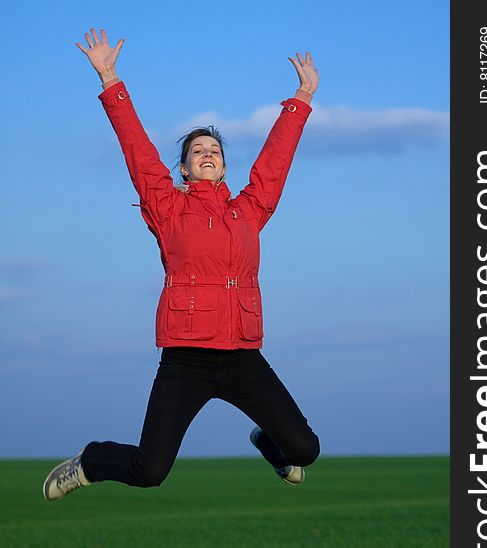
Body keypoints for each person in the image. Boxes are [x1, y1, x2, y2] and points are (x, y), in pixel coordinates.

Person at [43, 28, 320, 501]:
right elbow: (137, 151)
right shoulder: (167, 207)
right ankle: (90, 461)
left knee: (305, 448)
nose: (207, 155)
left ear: (224, 167)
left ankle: (267, 442)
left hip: (241, 357)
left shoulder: (249, 210)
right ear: (185, 170)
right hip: (185, 360)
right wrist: (110, 77)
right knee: (149, 470)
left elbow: (274, 164)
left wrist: (301, 99)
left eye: (214, 151)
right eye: (197, 152)